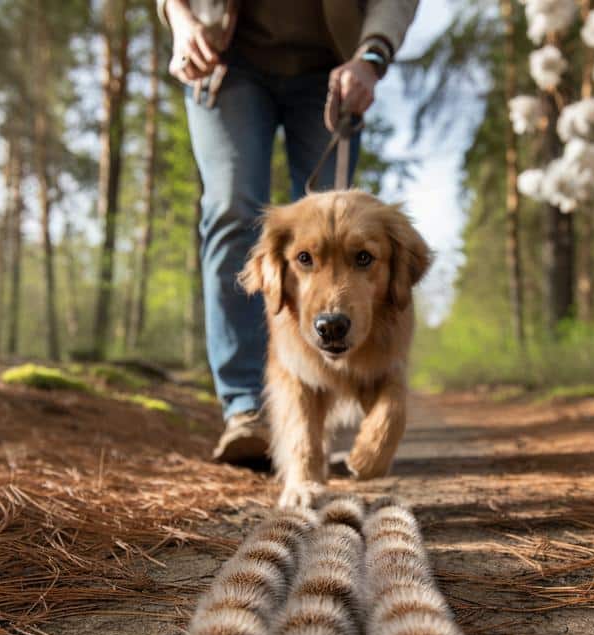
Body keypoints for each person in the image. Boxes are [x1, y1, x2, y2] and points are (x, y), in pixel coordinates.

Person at [159, 0, 421, 466]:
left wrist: (371, 56)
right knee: (232, 212)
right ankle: (245, 408)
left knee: (342, 225)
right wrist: (180, 19)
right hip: (225, 59)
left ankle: (361, 384)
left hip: (332, 66)